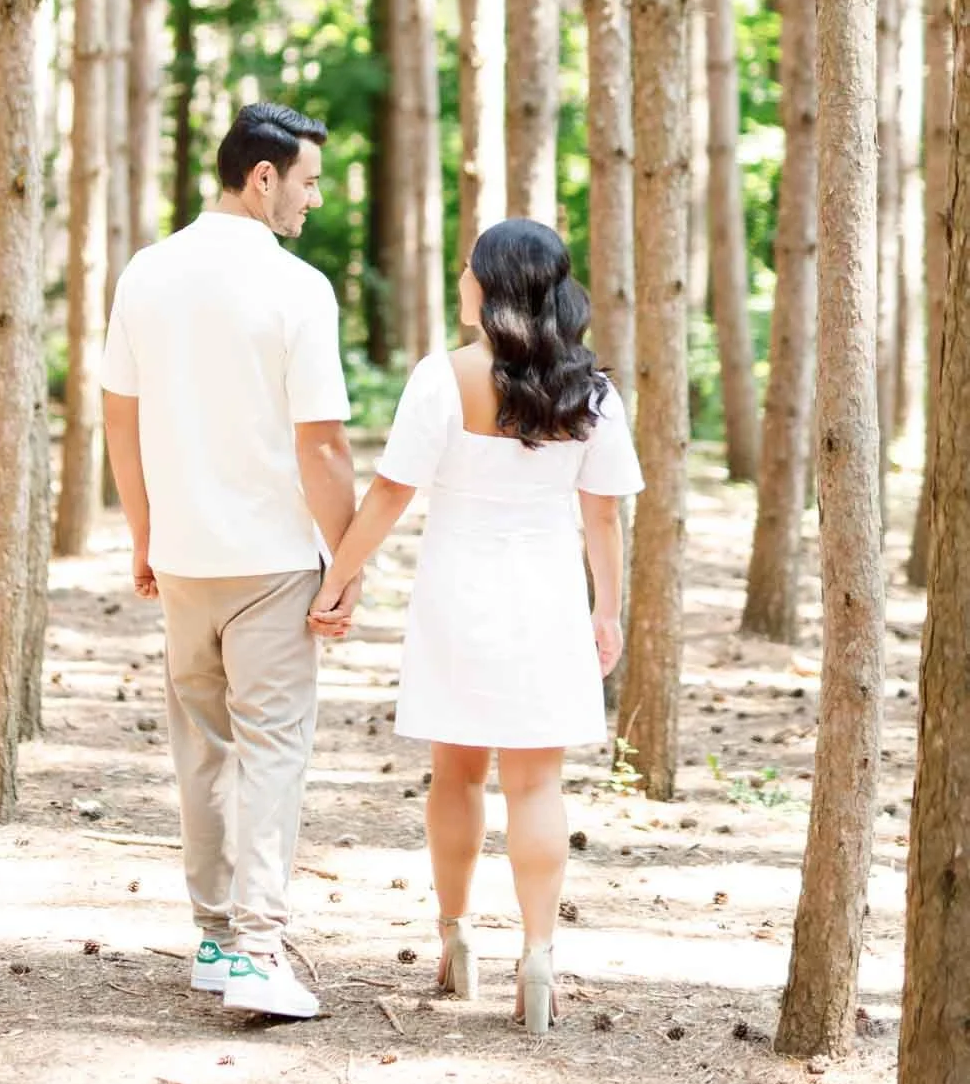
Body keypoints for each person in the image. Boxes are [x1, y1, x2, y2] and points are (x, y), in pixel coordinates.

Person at [309, 217, 641, 1034]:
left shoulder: (442, 377)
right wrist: (606, 610)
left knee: (455, 775)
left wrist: (337, 578)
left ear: (492, 284)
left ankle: (455, 939)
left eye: (467, 269)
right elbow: (603, 522)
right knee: (536, 782)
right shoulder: (591, 390)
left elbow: (390, 494)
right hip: (546, 596)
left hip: (456, 594)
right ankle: (536, 955)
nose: (460, 280)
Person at [101, 102, 357, 1021]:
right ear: (263, 178)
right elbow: (321, 444)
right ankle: (255, 949)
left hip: (183, 555)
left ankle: (214, 937)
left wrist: (142, 531)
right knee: (272, 753)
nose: (313, 200)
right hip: (273, 558)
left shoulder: (146, 271)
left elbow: (118, 418)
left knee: (201, 751)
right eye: (308, 181)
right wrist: (348, 559)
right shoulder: (297, 288)